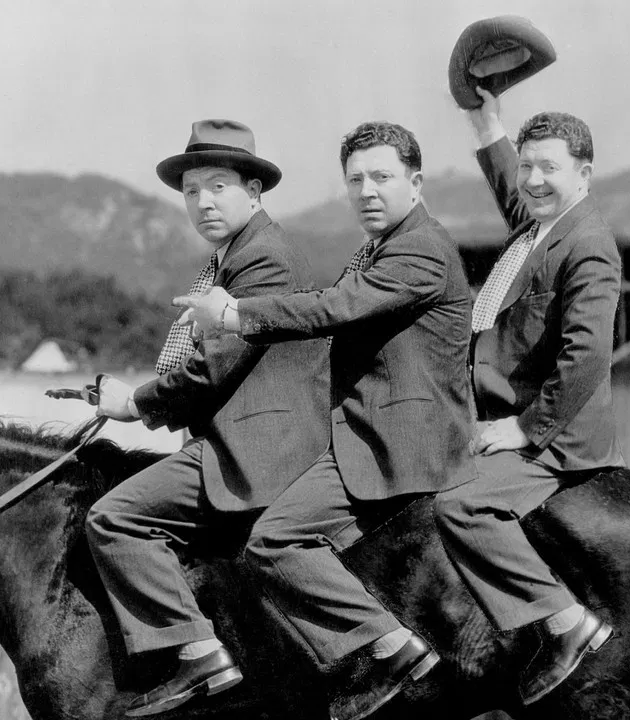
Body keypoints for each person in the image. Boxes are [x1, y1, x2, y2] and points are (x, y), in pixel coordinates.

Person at [177, 121, 475, 720]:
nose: (366, 191)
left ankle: (386, 648)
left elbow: (334, 309)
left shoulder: (418, 247)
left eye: (382, 178)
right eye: (355, 179)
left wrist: (236, 315)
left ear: (416, 184)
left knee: (274, 539)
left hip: (399, 438)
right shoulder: (381, 246)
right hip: (368, 423)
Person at [85, 119, 331, 717]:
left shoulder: (263, 260)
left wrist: (132, 406)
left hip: (259, 449)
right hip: (241, 436)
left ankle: (198, 653)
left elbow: (214, 369)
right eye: (192, 191)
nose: (202, 202)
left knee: (114, 517)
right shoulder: (231, 258)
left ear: (254, 191)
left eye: (218, 186)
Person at [433, 87, 623, 705]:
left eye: (550, 168)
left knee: (461, 508)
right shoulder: (542, 224)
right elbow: (511, 184)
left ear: (584, 175)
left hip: (555, 438)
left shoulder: (588, 243)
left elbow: (587, 355)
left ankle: (566, 624)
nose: (534, 180)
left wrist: (524, 428)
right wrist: (486, 123)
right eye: (529, 164)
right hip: (495, 413)